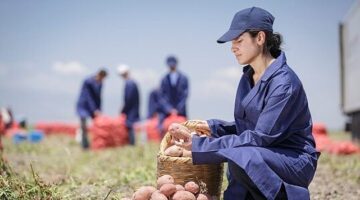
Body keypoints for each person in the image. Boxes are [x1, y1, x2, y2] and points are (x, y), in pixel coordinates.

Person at [170, 7, 319, 200]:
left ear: (260, 38)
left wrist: (199, 145)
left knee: (242, 154)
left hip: (293, 159)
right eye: (232, 42)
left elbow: (260, 137)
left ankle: (286, 196)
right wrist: (214, 127)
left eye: (239, 40)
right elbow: (245, 128)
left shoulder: (284, 84)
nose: (233, 47)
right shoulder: (247, 78)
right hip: (264, 153)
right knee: (240, 153)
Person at [76, 69, 107, 149]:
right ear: (99, 75)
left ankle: (97, 143)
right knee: (83, 126)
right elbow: (88, 97)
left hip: (94, 108)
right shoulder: (88, 81)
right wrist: (94, 110)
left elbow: (99, 97)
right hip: (84, 105)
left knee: (97, 125)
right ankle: (85, 145)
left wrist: (99, 109)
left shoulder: (100, 83)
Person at [158, 56, 189, 133]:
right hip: (167, 112)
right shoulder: (164, 79)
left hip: (181, 111)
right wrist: (169, 109)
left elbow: (184, 95)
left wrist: (178, 109)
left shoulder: (184, 78)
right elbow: (162, 96)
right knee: (164, 130)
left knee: (184, 129)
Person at [118, 65, 140, 146]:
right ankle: (131, 142)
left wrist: (123, 109)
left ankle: (131, 143)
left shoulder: (129, 83)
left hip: (130, 109)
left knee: (129, 125)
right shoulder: (133, 82)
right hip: (133, 107)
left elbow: (128, 98)